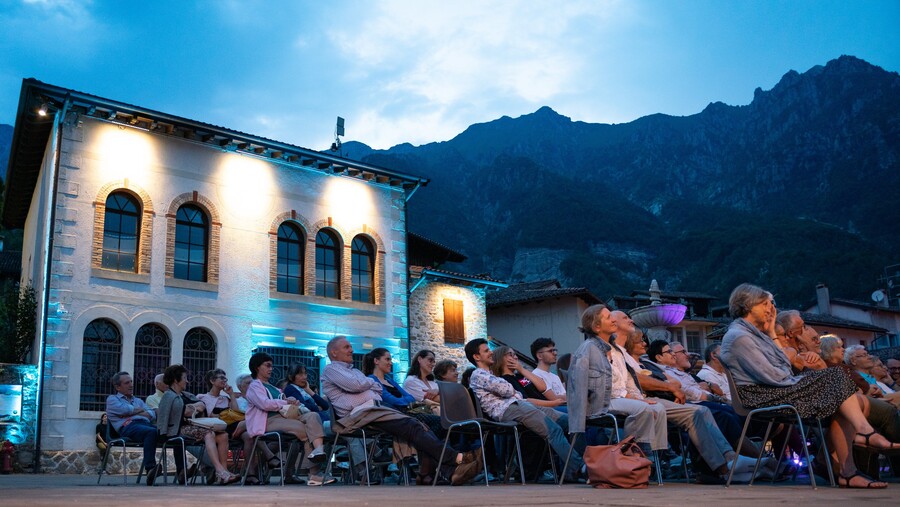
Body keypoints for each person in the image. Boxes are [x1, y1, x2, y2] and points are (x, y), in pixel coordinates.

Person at [720, 283, 898, 489]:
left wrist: (771, 333)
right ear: (747, 306)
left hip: (775, 389)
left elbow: (782, 368)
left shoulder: (757, 335)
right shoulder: (740, 337)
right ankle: (864, 435)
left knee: (838, 392)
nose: (771, 309)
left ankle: (849, 471)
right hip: (761, 395)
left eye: (771, 304)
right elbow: (779, 375)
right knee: (835, 378)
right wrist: (794, 366)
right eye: (765, 304)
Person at [610, 311, 761, 483]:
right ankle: (724, 467)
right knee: (705, 413)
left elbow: (660, 381)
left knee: (705, 411)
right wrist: (668, 387)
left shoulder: (626, 355)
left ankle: (729, 457)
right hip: (640, 399)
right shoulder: (616, 353)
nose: (631, 320)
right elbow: (637, 380)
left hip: (652, 397)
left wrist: (673, 386)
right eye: (672, 352)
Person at [322, 336, 481, 486]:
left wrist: (367, 384)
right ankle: (455, 459)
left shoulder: (355, 372)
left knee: (418, 425)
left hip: (374, 409)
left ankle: (446, 471)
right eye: (346, 347)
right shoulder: (331, 369)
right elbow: (357, 385)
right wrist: (368, 382)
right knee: (414, 425)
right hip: (357, 415)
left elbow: (376, 389)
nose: (351, 350)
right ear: (334, 352)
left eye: (350, 346)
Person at [467, 338, 584, 482]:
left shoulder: (493, 376)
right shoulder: (478, 374)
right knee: (554, 430)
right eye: (486, 351)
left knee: (572, 423)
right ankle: (581, 469)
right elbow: (508, 390)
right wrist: (511, 390)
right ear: (476, 357)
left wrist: (514, 387)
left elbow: (519, 393)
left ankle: (570, 471)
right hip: (509, 409)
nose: (491, 352)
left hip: (521, 405)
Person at [576, 307, 667, 456]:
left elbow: (629, 381)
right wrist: (633, 399)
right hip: (600, 402)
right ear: (596, 326)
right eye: (607, 317)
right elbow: (593, 388)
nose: (613, 319)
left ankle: (658, 457)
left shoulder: (616, 350)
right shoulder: (589, 349)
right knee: (642, 409)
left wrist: (638, 398)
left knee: (658, 408)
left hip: (619, 398)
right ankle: (629, 455)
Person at [243, 352, 333, 486]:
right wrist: (285, 402)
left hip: (282, 418)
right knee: (308, 431)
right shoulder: (255, 386)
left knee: (313, 416)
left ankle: (318, 451)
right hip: (267, 422)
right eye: (267, 366)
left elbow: (279, 402)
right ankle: (314, 473)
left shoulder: (273, 388)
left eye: (271, 366)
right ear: (257, 368)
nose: (271, 369)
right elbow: (265, 404)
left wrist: (289, 401)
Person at [156, 364, 239, 485]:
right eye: (184, 378)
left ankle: (224, 471)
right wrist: (192, 408)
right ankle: (219, 471)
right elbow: (178, 413)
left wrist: (191, 408)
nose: (187, 381)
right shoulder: (168, 396)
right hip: (176, 430)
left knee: (223, 435)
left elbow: (200, 406)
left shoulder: (186, 395)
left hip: (192, 427)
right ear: (176, 380)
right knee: (209, 433)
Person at [105, 371, 160, 485]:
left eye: (131, 382)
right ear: (117, 387)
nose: (131, 385)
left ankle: (182, 471)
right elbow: (124, 410)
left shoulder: (138, 400)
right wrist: (138, 411)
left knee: (172, 434)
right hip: (128, 426)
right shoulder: (112, 399)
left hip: (145, 425)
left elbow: (152, 414)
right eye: (126, 383)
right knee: (152, 432)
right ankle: (150, 469)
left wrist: (132, 412)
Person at [491, 346, 565, 409]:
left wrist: (522, 369)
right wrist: (553, 403)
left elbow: (543, 387)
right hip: (541, 410)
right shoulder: (505, 380)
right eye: (511, 355)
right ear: (500, 359)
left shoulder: (520, 376)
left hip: (550, 407)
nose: (516, 357)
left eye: (515, 354)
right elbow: (525, 400)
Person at [198, 369, 241, 434]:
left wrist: (231, 394)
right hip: (210, 429)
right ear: (212, 381)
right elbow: (207, 416)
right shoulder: (202, 397)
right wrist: (227, 416)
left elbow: (236, 414)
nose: (224, 381)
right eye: (222, 378)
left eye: (225, 379)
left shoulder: (225, 399)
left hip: (228, 427)